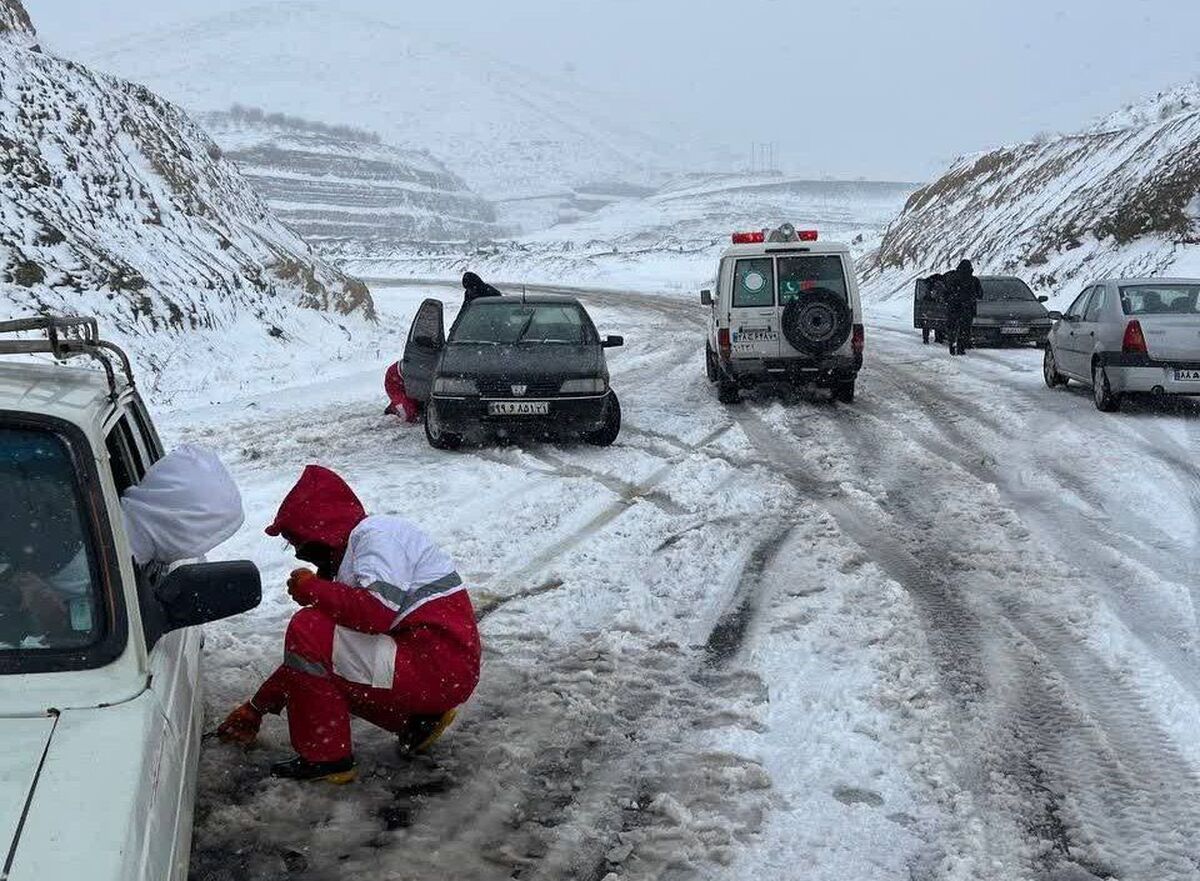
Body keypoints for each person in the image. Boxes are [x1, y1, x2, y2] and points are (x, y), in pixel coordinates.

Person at [217, 465, 481, 783]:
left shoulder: (377, 536)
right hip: (433, 666)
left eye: (298, 540)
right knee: (318, 649)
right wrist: (256, 707)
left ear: (322, 526)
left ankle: (327, 759)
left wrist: (312, 589)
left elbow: (375, 612)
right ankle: (418, 720)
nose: (300, 553)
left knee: (308, 627)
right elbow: (307, 663)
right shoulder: (354, 556)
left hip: (437, 664)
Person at [942, 259, 982, 356]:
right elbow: (980, 294)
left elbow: (945, 293)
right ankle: (961, 348)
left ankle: (952, 344)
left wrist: (950, 300)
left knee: (952, 328)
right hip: (967, 309)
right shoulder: (974, 280)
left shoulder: (952, 278)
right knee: (965, 330)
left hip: (954, 308)